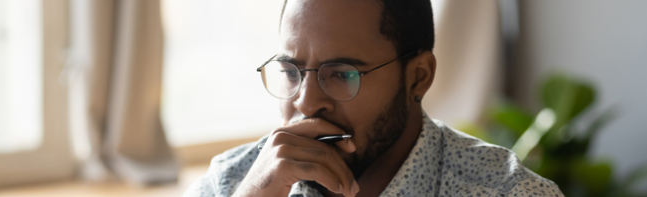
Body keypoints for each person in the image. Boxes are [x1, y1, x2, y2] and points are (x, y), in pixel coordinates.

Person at [184, 0, 562, 196]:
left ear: (418, 78)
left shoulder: (510, 194)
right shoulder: (230, 182)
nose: (306, 103)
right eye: (291, 72)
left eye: (342, 74)